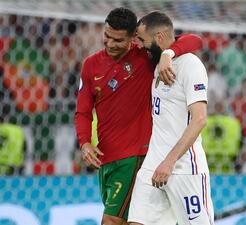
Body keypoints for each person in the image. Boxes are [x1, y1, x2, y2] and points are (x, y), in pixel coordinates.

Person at [75, 7, 202, 225]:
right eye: (107, 36)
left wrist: (167, 54)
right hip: (106, 158)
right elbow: (83, 111)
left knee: (111, 221)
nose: (110, 44)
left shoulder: (144, 56)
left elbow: (195, 40)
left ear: (132, 38)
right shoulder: (90, 65)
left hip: (135, 156)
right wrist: (85, 142)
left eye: (118, 40)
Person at [128, 11, 214, 225]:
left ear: (159, 38)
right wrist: (167, 54)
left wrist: (169, 162)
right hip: (153, 165)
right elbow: (188, 40)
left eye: (142, 40)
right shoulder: (157, 63)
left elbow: (199, 120)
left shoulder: (190, 66)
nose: (139, 45)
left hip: (184, 169)